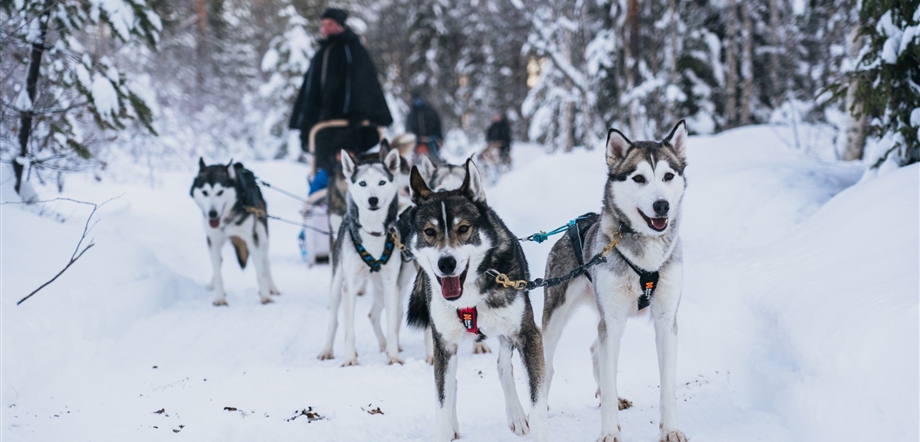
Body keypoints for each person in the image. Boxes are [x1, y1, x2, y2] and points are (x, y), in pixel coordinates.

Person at [288, 8, 393, 194]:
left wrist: (359, 112)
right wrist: (306, 120)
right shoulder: (321, 55)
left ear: (339, 26)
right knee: (325, 167)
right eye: (323, 25)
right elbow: (310, 91)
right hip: (325, 128)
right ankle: (320, 203)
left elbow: (364, 83)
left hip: (353, 127)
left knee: (354, 161)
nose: (325, 29)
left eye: (330, 24)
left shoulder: (353, 51)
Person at [405, 89, 443, 163]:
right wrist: (417, 139)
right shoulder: (411, 115)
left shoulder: (431, 112)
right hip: (417, 143)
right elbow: (408, 130)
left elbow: (437, 125)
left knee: (434, 160)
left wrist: (437, 137)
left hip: (432, 142)